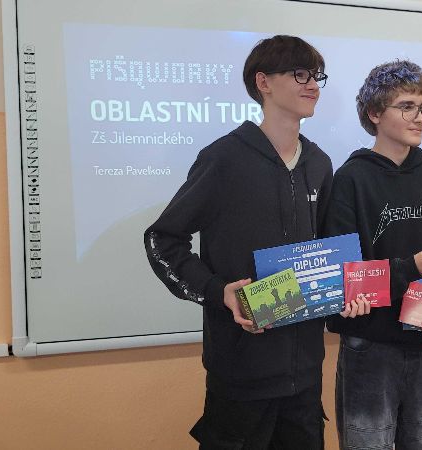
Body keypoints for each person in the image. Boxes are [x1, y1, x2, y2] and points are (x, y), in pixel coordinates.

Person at [144, 35, 369, 450]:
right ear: (263, 82)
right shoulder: (224, 158)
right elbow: (163, 238)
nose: (313, 84)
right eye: (299, 74)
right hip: (241, 372)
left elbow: (327, 250)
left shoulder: (319, 163)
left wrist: (347, 290)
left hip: (304, 375)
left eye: (316, 75)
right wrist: (218, 292)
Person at [322, 60, 422, 450]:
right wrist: (411, 268)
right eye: (406, 107)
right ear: (375, 113)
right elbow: (342, 275)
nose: (419, 117)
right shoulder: (350, 179)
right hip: (370, 345)